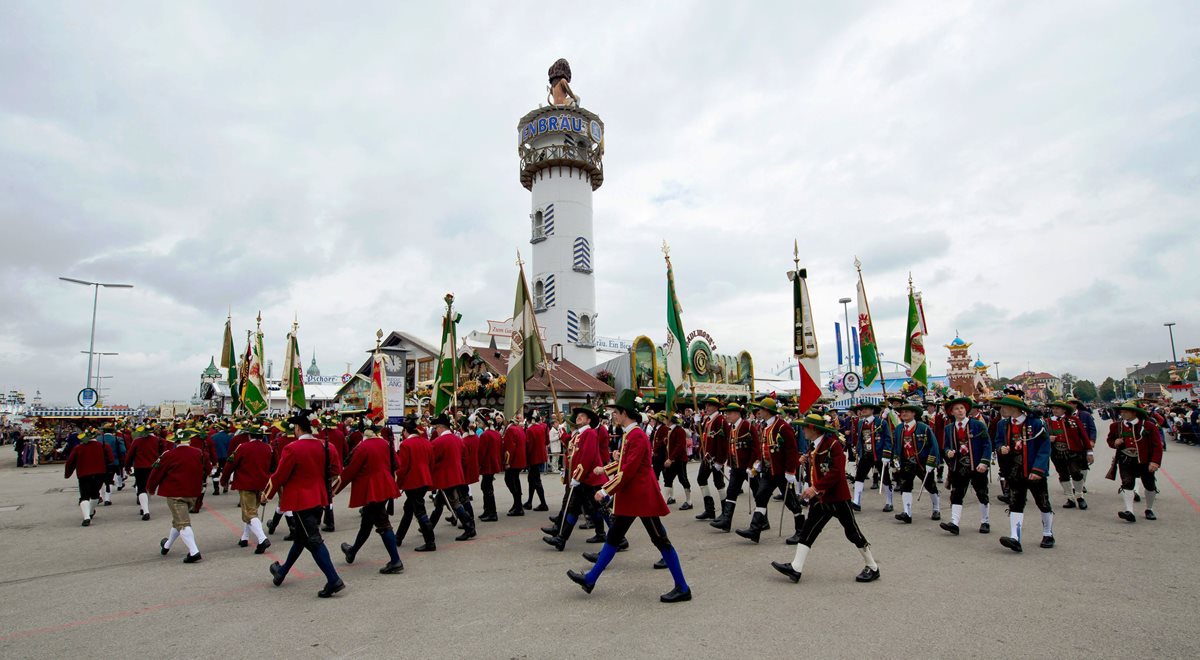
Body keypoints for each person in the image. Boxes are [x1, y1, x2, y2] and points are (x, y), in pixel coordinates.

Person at [566, 390, 692, 603]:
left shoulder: (636, 435)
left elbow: (629, 469)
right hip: (633, 497)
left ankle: (682, 586)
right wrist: (605, 470)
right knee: (614, 536)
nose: (613, 415)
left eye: (616, 412)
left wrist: (605, 489)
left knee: (660, 540)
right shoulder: (631, 434)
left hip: (642, 498)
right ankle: (590, 579)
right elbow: (625, 462)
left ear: (624, 413)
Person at [771, 413, 879, 584]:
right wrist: (804, 461)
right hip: (821, 500)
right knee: (808, 531)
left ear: (814, 429)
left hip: (837, 498)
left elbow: (836, 472)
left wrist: (815, 488)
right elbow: (816, 469)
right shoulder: (813, 445)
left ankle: (872, 566)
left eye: (806, 427)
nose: (803, 430)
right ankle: (796, 567)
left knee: (852, 533)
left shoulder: (833, 445)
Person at [262, 410, 345, 597]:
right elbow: (336, 471)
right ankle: (282, 571)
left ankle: (333, 580)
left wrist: (266, 495)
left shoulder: (292, 448)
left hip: (301, 500)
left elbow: (279, 476)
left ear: (298, 428)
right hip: (320, 498)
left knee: (313, 540)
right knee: (301, 538)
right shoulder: (327, 446)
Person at [334, 425, 403, 574]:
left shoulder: (363, 447)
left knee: (383, 524)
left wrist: (333, 490)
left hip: (373, 490)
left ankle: (396, 560)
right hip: (385, 486)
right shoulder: (385, 443)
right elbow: (396, 463)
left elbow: (351, 471)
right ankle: (352, 551)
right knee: (367, 522)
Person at [736, 398, 803, 544]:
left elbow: (792, 450)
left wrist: (791, 471)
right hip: (768, 471)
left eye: (760, 410)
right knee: (760, 496)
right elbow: (763, 447)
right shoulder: (765, 426)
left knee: (791, 502)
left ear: (767, 411)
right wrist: (758, 463)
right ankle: (755, 530)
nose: (758, 412)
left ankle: (801, 531)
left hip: (782, 471)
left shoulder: (783, 427)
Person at [993, 395, 1054, 552]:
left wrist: (1038, 469)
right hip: (1014, 471)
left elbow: (1044, 448)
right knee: (1015, 503)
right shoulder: (1002, 424)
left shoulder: (1036, 423)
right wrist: (1001, 448)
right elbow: (998, 441)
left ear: (1015, 408)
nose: (1002, 410)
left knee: (1043, 502)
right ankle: (1015, 537)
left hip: (1033, 469)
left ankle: (1048, 533)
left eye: (1004, 407)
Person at [542, 406, 607, 551]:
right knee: (576, 508)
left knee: (598, 509)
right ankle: (561, 539)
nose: (578, 417)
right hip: (583, 479)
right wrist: (561, 431)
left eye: (582, 416)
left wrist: (577, 476)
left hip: (590, 479)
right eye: (578, 416)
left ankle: (617, 538)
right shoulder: (579, 434)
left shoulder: (589, 433)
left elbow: (587, 458)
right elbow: (570, 446)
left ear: (588, 420)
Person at [148, 428, 207, 562]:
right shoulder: (198, 452)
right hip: (193, 493)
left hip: (175, 493)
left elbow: (156, 473)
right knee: (178, 521)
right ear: (189, 440)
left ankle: (194, 551)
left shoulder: (168, 455)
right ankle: (167, 545)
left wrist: (151, 488)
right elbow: (205, 469)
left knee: (183, 523)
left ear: (176, 441)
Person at [939, 397, 992, 535]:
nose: (960, 411)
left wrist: (984, 462)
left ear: (966, 410)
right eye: (956, 409)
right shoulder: (949, 428)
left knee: (981, 493)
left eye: (962, 408)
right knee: (956, 494)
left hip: (977, 465)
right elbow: (945, 446)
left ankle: (985, 521)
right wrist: (948, 452)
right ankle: (954, 523)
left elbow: (987, 444)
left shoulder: (978, 425)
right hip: (959, 466)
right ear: (952, 412)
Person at [219, 425, 273, 554]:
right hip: (262, 484)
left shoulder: (242, 447)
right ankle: (245, 537)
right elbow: (274, 467)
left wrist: (224, 479)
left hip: (246, 483)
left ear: (250, 436)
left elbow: (230, 464)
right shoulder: (268, 448)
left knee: (250, 513)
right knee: (252, 511)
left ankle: (262, 539)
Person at [1106, 402, 1163, 522]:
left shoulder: (1148, 426)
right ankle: (1129, 511)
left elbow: (1157, 446)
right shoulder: (1116, 426)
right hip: (1125, 459)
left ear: (1134, 413)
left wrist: (1155, 462)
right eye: (1122, 411)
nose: (1123, 413)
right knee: (1127, 483)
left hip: (1145, 460)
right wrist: (1114, 442)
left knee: (1150, 485)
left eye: (1126, 411)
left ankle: (1149, 509)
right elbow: (1110, 440)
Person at [891, 403, 941, 524]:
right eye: (902, 412)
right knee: (905, 486)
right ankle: (907, 513)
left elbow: (934, 446)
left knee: (930, 486)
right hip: (906, 462)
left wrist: (931, 462)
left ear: (914, 413)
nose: (904, 413)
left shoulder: (923, 428)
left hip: (922, 463)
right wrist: (895, 460)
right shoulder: (898, 429)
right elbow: (896, 446)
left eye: (907, 411)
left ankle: (936, 508)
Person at [429, 415, 476, 542]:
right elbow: (465, 458)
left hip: (445, 477)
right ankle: (428, 526)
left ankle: (469, 527)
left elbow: (432, 461)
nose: (435, 431)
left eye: (436, 428)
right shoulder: (458, 439)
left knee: (455, 503)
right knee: (439, 502)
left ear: (440, 428)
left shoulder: (437, 442)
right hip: (457, 474)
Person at [711, 402, 756, 532]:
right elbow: (729, 448)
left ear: (737, 414)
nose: (727, 415)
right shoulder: (731, 427)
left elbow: (756, 448)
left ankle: (763, 520)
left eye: (729, 413)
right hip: (736, 467)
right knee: (731, 492)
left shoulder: (747, 426)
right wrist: (724, 462)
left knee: (758, 493)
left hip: (747, 467)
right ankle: (726, 521)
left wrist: (751, 465)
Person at [394, 419, 437, 552]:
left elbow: (403, 468)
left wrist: (398, 484)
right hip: (424, 480)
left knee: (419, 511)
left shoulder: (406, 444)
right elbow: (432, 463)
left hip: (413, 481)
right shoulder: (426, 442)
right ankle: (398, 537)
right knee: (409, 508)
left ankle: (430, 542)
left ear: (406, 431)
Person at [1047, 400, 1093, 510]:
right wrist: (1048, 438)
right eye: (1053, 408)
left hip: (1074, 452)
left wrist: (1089, 452)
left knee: (1076, 473)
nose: (1055, 410)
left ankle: (1079, 496)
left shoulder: (1074, 420)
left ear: (1064, 409)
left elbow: (1084, 436)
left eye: (1057, 408)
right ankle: (1070, 498)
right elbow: (1041, 437)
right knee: (1063, 475)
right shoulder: (1047, 422)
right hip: (1057, 452)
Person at [849, 401, 893, 512]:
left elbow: (888, 438)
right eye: (862, 409)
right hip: (865, 454)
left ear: (872, 410)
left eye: (866, 409)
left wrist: (886, 454)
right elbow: (860, 439)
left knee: (885, 478)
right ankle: (856, 501)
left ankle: (889, 501)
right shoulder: (860, 423)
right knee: (859, 477)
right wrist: (858, 451)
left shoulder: (881, 422)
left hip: (879, 455)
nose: (863, 410)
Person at [64, 431, 114, 526]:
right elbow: (111, 459)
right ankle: (90, 512)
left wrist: (67, 474)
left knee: (84, 496)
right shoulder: (103, 446)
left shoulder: (78, 448)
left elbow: (70, 462)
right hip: (100, 473)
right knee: (95, 494)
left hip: (84, 474)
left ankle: (86, 517)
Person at [693, 398, 728, 520]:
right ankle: (709, 510)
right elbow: (701, 435)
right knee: (701, 479)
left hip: (715, 458)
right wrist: (696, 423)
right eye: (706, 405)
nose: (706, 408)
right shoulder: (707, 419)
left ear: (716, 407)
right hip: (706, 457)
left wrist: (720, 461)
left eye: (709, 406)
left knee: (719, 483)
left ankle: (725, 512)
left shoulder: (720, 420)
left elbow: (723, 442)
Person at [126, 425, 168, 521]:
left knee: (141, 488)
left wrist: (127, 466)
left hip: (140, 467)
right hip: (154, 467)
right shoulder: (159, 440)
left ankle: (145, 510)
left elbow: (130, 454)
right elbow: (164, 454)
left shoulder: (137, 441)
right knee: (149, 487)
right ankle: (144, 507)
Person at [663, 413, 692, 510]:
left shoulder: (679, 430)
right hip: (671, 459)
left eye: (665, 419)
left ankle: (689, 501)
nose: (664, 421)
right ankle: (664, 502)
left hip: (679, 460)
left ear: (670, 420)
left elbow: (679, 446)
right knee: (668, 479)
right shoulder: (670, 430)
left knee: (683, 479)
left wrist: (671, 458)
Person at [477, 415, 503, 522]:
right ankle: (487, 510)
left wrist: (479, 464)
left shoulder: (485, 435)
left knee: (487, 488)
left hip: (487, 464)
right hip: (493, 463)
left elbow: (481, 452)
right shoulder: (496, 433)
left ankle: (492, 512)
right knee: (486, 487)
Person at [502, 413, 527, 516]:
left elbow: (509, 447)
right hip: (519, 459)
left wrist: (507, 462)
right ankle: (517, 504)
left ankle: (518, 505)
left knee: (510, 481)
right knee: (515, 481)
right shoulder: (519, 428)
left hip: (513, 461)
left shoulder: (511, 430)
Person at [524, 412, 550, 511]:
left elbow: (529, 446)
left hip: (533, 457)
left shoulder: (530, 430)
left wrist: (526, 459)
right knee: (532, 479)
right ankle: (529, 501)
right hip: (541, 456)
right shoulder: (542, 427)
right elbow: (547, 441)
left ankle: (543, 503)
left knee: (536, 480)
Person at [97, 424, 126, 506]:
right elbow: (123, 450)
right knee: (109, 481)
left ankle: (99, 496)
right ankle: (107, 499)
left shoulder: (98, 439)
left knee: (99, 481)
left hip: (100, 463)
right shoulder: (117, 439)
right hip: (114, 462)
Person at [211, 424, 232, 495]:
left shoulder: (213, 437)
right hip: (226, 457)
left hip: (216, 457)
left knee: (215, 473)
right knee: (225, 472)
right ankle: (225, 485)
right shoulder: (229, 437)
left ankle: (216, 489)